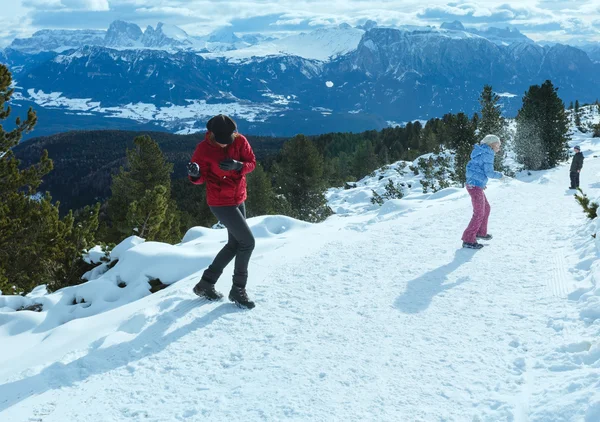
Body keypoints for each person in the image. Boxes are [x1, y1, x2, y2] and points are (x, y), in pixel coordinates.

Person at [187, 114, 257, 309]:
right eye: (220, 140)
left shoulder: (240, 141)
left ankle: (205, 284)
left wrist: (239, 166)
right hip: (219, 201)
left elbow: (252, 162)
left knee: (235, 244)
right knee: (248, 242)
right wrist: (195, 174)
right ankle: (238, 289)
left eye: (228, 140)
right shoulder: (203, 149)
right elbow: (200, 178)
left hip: (238, 197)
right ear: (211, 134)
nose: (224, 144)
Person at [461, 134, 504, 249]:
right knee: (479, 212)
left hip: (475, 184)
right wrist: (500, 176)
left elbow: (474, 168)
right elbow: (489, 172)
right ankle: (468, 239)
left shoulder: (481, 152)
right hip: (474, 185)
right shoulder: (488, 153)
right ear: (492, 144)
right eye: (498, 145)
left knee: (486, 208)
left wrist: (480, 183)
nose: (499, 148)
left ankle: (480, 232)